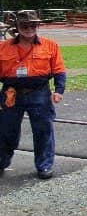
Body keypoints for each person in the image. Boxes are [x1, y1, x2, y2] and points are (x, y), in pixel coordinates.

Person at [0, 10, 66, 179]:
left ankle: (44, 166)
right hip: (11, 93)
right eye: (24, 25)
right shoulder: (3, 47)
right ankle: (2, 162)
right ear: (17, 27)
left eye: (33, 25)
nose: (29, 28)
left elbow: (59, 70)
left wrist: (59, 90)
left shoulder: (51, 45)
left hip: (40, 93)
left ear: (38, 25)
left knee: (43, 130)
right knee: (7, 131)